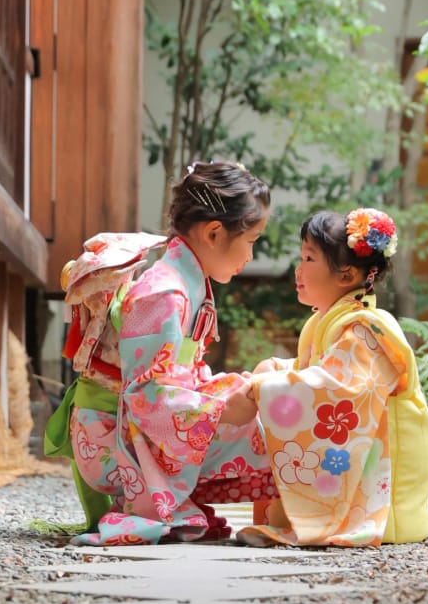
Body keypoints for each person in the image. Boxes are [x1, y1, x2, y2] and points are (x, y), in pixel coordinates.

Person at [67, 161, 277, 547]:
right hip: (110, 437)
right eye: (251, 240)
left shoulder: (184, 283)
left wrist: (233, 389)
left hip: (136, 423)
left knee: (260, 404)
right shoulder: (165, 293)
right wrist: (220, 410)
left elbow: (175, 377)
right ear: (214, 233)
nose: (250, 255)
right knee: (267, 426)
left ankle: (186, 503)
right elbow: (145, 396)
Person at [232, 208, 428, 548]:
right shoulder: (325, 322)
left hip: (388, 496)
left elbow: (336, 388)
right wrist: (276, 370)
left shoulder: (368, 328)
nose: (298, 269)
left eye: (309, 259)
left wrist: (263, 389)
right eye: (301, 257)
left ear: (346, 276)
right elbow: (313, 368)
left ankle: (359, 518)